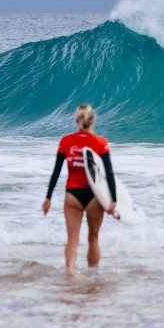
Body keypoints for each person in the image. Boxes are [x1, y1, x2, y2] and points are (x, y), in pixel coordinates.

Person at [43, 104, 117, 276]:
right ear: (93, 120)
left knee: (73, 239)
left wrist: (48, 198)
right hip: (94, 197)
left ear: (77, 120)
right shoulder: (100, 143)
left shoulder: (66, 141)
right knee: (93, 238)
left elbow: (56, 172)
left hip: (72, 195)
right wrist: (113, 200)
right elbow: (109, 173)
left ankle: (69, 271)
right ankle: (92, 275)